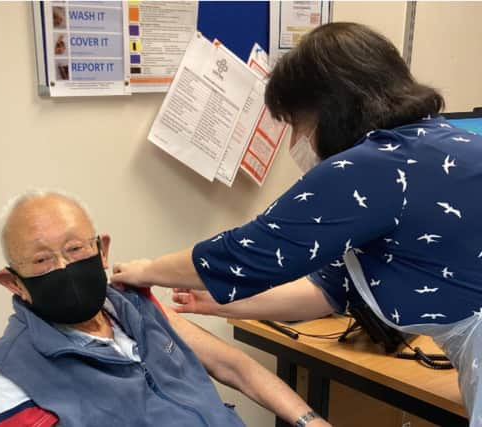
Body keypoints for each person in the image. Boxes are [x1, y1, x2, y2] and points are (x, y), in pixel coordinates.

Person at [112, 22, 482, 425]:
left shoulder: (370, 167)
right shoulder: (447, 141)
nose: (295, 142)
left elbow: (242, 254)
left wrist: (145, 270)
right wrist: (224, 305)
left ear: (330, 106)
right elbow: (330, 287)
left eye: (295, 123)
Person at [0, 190, 330, 427]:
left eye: (74, 249)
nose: (63, 267)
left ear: (102, 250)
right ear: (14, 282)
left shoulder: (134, 307)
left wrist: (309, 422)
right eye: (41, 259)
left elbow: (234, 366)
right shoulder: (14, 378)